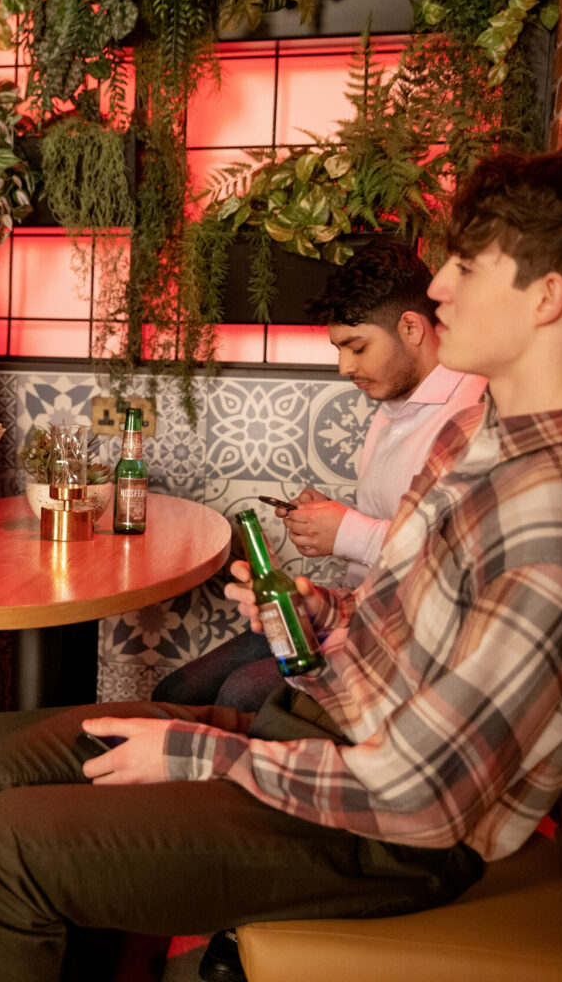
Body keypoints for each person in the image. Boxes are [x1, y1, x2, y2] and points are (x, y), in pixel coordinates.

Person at [0, 143, 562, 982]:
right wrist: (316, 617)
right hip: (321, 738)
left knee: (2, 847)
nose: (437, 288)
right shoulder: (479, 434)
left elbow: (424, 797)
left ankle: (16, 910)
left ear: (548, 298)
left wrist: (198, 756)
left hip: (381, 835)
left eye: (466, 266)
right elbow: (409, 640)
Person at [153, 240, 486, 710]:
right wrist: (333, 520)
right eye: (339, 349)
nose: (345, 367)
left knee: (239, 692)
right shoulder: (393, 403)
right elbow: (398, 520)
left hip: (402, 629)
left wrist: (347, 532)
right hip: (347, 608)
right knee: (177, 690)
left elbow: (452, 551)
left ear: (412, 327)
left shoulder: (470, 413)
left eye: (357, 347)